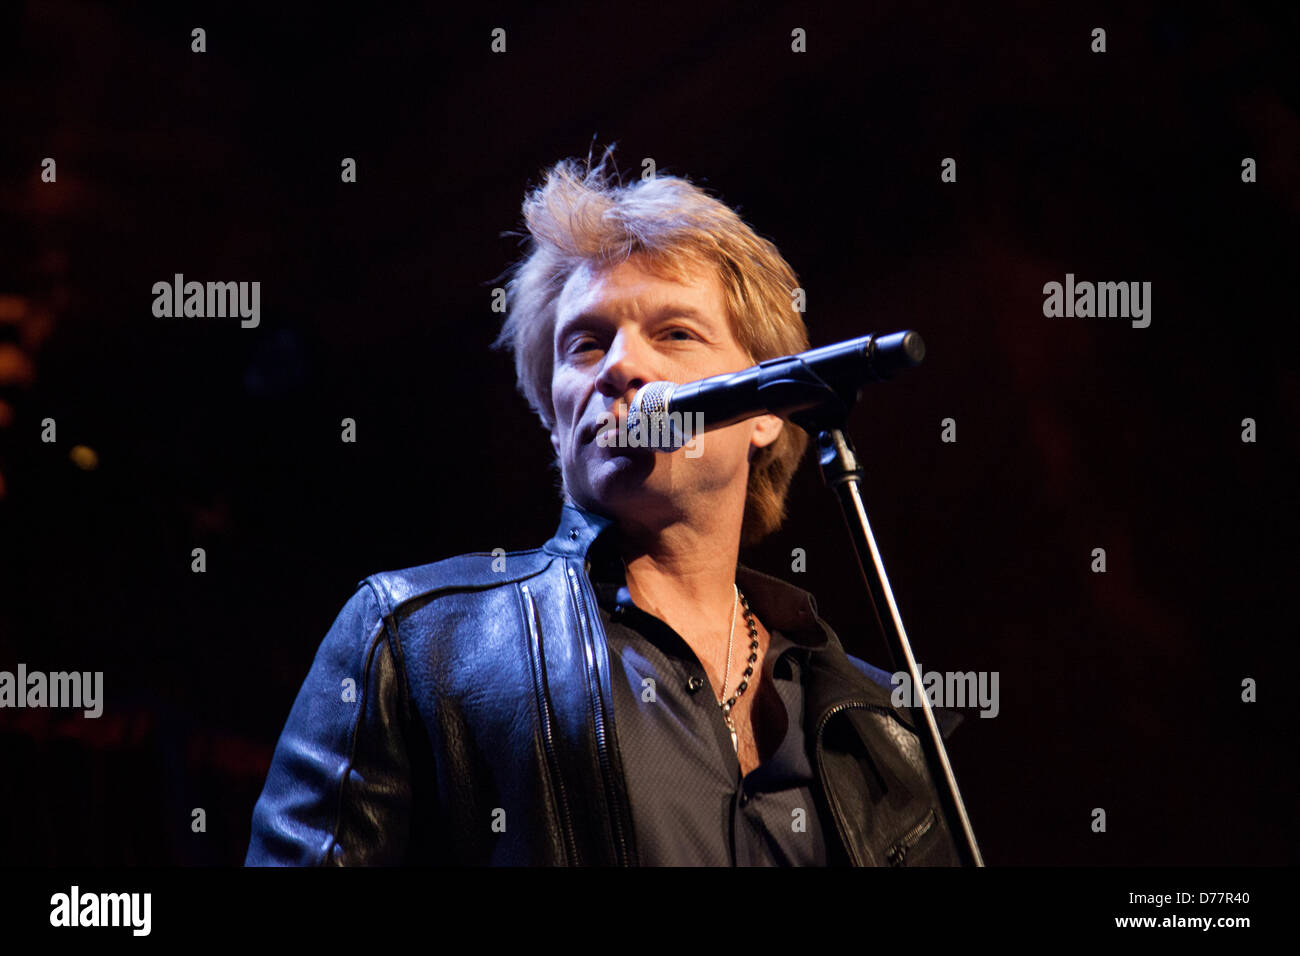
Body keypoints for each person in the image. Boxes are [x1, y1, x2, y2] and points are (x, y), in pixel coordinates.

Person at [245, 147, 963, 866]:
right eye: (585, 344)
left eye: (675, 333)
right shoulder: (417, 644)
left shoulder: (879, 726)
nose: (620, 366)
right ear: (554, 420)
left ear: (768, 408)